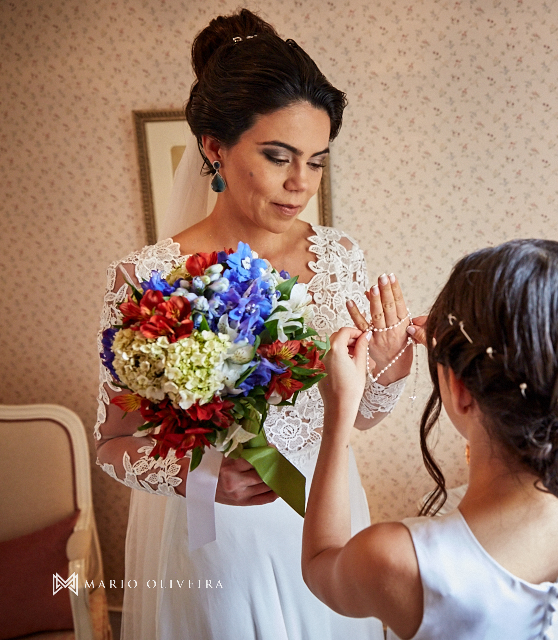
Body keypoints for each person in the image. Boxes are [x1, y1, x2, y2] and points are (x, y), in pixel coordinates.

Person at [94, 10, 411, 640]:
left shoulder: (340, 257)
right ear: (214, 146)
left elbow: (361, 415)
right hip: (218, 539)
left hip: (327, 511)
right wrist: (199, 476)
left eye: (316, 162)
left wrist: (393, 361)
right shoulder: (146, 278)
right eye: (278, 156)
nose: (301, 185)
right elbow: (111, 443)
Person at [303, 239, 558, 640]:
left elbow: (318, 563)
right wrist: (456, 357)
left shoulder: (400, 560)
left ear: (462, 390)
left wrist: (338, 417)